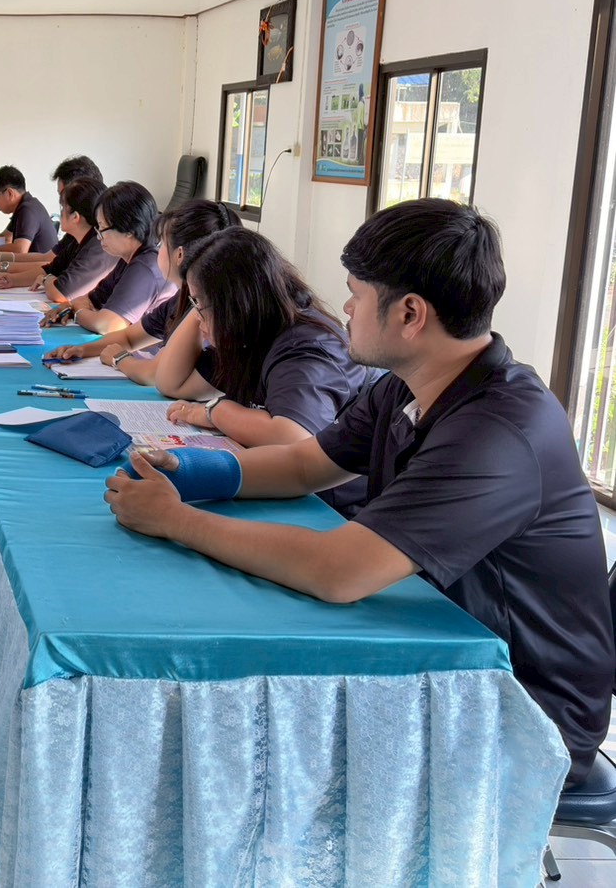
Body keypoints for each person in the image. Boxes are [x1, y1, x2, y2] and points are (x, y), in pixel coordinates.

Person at [104, 199, 614, 784]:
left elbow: (338, 571)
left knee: (240, 737)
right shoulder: (409, 385)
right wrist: (188, 473)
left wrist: (178, 521)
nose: (343, 308)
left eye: (357, 294)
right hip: (440, 649)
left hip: (518, 703)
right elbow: (303, 466)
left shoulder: (499, 431)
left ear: (410, 314)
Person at [153, 226, 370, 512]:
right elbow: (171, 383)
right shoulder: (249, 334)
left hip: (333, 509)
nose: (197, 317)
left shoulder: (307, 346)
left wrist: (214, 412)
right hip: (284, 490)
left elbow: (292, 437)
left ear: (235, 305)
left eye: (199, 304)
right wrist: (202, 308)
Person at [44, 199, 240, 385]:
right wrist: (82, 349)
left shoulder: (204, 308)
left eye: (162, 243)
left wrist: (120, 359)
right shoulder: (180, 298)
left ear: (179, 255)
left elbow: (156, 374)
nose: (158, 250)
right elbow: (130, 337)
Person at [50, 181, 172, 333]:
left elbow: (107, 325)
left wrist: (79, 313)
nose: (99, 236)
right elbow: (90, 300)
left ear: (128, 230)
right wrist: (72, 306)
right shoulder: (127, 258)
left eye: (102, 228)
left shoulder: (145, 266)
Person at [0, 156, 104, 278]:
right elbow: (49, 261)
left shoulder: (99, 241)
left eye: (64, 196)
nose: (61, 204)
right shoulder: (74, 235)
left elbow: (31, 256)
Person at [0, 179, 114, 300]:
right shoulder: (77, 240)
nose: (60, 212)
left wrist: (46, 279)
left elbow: (60, 293)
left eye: (63, 208)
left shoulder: (96, 247)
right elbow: (50, 269)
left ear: (75, 216)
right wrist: (11, 280)